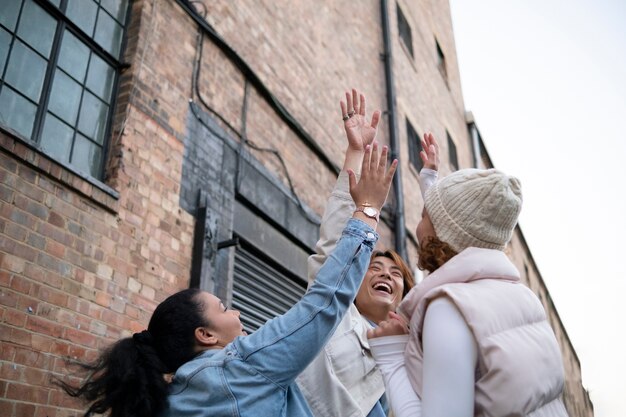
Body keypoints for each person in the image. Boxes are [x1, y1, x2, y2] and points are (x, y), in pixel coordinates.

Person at [57, 134, 398, 416]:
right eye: (222, 308)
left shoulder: (173, 403)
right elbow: (324, 300)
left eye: (396, 274)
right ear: (204, 334)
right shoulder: (245, 366)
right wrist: (367, 210)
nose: (235, 311)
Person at [367, 166, 569, 416]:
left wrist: (391, 355)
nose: (417, 228)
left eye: (423, 217)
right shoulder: (526, 300)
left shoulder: (449, 308)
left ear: (440, 232)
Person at [296, 90, 439, 417]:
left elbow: (445, 274)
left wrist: (431, 185)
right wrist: (355, 152)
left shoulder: (413, 353)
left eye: (396, 275)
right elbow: (335, 240)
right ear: (355, 282)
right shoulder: (331, 312)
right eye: (375, 268)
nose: (386, 275)